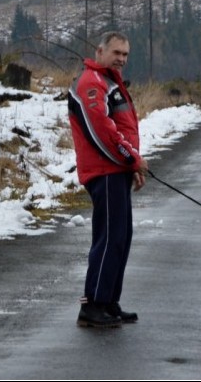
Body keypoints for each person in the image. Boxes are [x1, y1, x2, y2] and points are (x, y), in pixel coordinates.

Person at [68, 31, 148, 328]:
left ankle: (109, 300)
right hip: (104, 171)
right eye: (117, 53)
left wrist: (132, 165)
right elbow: (102, 131)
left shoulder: (110, 82)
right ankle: (93, 305)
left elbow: (122, 128)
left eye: (126, 55)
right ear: (100, 51)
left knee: (121, 237)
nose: (122, 59)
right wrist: (132, 159)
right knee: (108, 238)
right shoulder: (92, 83)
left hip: (118, 169)